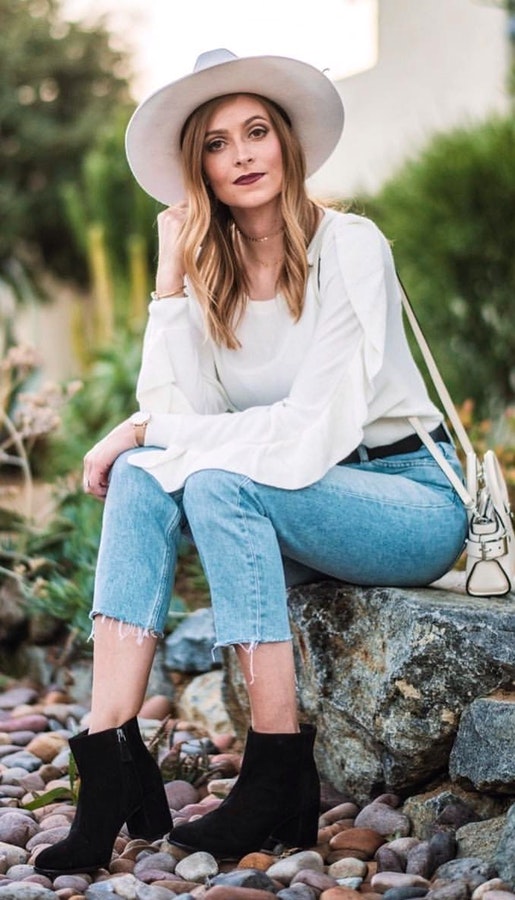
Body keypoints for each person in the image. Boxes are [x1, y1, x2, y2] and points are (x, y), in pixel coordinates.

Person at [34, 48, 468, 877]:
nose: (241, 155)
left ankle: (277, 773)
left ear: (287, 143)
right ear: (195, 168)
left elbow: (313, 433)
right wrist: (169, 283)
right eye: (216, 143)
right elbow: (176, 412)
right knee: (138, 473)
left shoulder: (351, 246)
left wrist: (142, 429)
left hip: (406, 501)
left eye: (256, 132)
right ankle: (109, 760)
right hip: (302, 507)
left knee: (204, 473)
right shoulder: (210, 273)